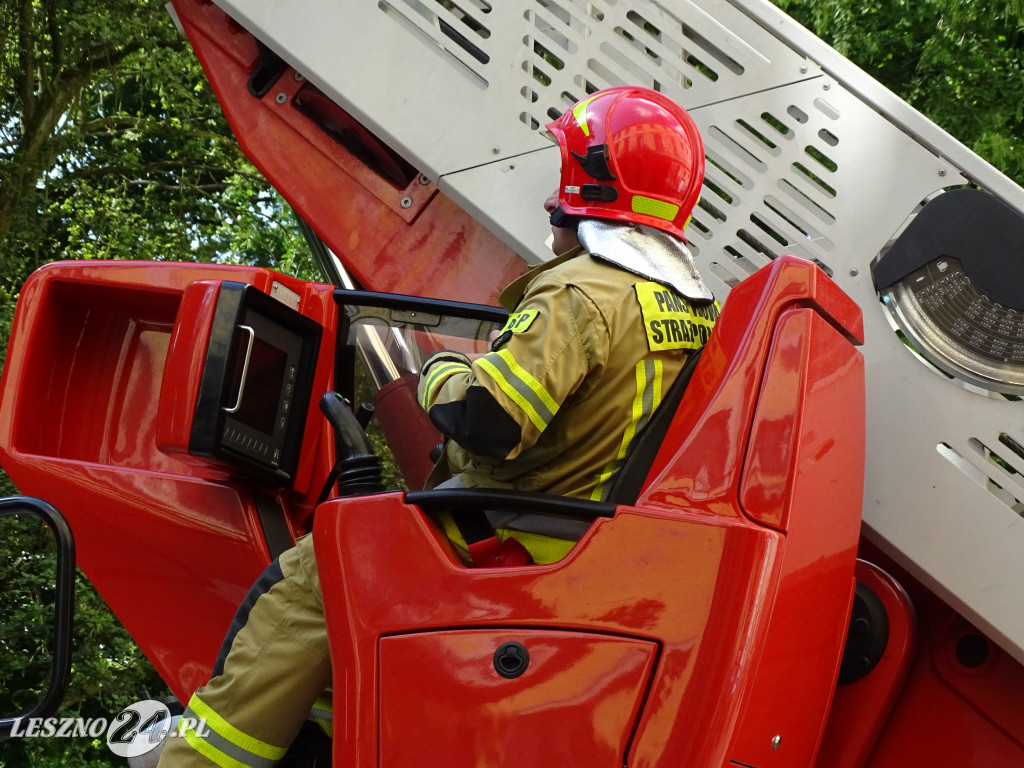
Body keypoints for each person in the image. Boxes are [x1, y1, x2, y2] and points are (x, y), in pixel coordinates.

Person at [156, 85, 718, 768]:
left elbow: (489, 419)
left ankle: (201, 762)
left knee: (314, 573)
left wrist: (440, 373)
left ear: (593, 187)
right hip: (577, 535)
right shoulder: (689, 312)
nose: (549, 200)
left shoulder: (579, 292)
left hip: (506, 531)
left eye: (563, 177)